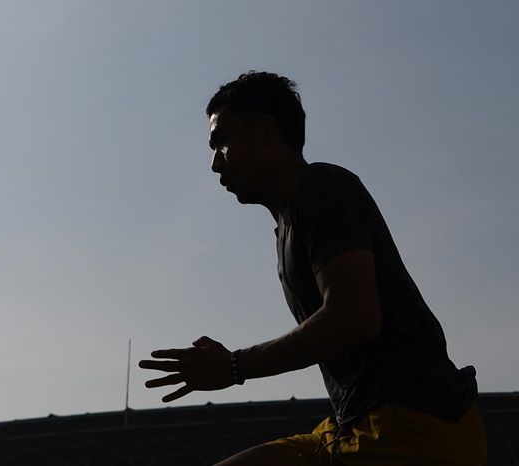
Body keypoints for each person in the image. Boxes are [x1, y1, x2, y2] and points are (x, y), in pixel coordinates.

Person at [138, 71, 487, 465]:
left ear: (266, 131)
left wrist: (234, 366)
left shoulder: (319, 186)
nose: (215, 163)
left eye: (222, 142)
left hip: (411, 427)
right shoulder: (289, 221)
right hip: (364, 423)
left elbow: (354, 317)